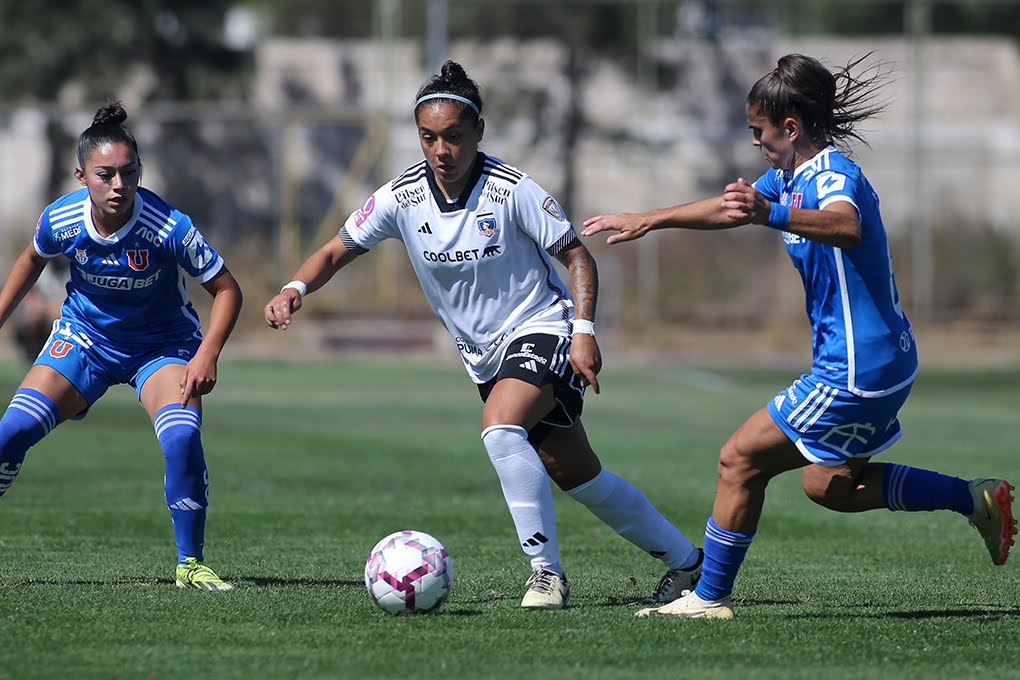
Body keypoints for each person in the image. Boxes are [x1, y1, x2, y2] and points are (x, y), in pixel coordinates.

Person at [582, 53, 1016, 619]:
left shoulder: (834, 175)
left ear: (790, 128)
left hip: (854, 370)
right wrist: (650, 218)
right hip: (884, 363)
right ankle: (975, 499)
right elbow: (731, 208)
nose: (755, 142)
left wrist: (770, 214)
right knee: (830, 487)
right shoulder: (786, 178)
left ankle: (708, 598)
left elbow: (845, 224)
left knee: (738, 460)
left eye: (758, 132)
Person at [265, 60, 703, 609]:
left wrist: (584, 330)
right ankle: (688, 561)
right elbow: (336, 249)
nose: (441, 150)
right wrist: (294, 289)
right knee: (578, 475)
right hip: (485, 357)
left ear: (478, 133)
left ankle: (546, 575)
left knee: (499, 427)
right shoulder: (401, 198)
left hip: (543, 327)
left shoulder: (512, 189)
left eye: (453, 136)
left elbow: (576, 256)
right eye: (429, 138)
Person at [0, 103, 243, 591]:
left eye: (128, 173)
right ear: (81, 174)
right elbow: (31, 258)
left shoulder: (167, 225)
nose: (118, 185)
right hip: (85, 341)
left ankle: (190, 564)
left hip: (163, 348)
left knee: (180, 437)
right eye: (105, 174)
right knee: (10, 434)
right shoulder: (62, 218)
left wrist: (207, 354)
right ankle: (77, 394)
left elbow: (227, 289)